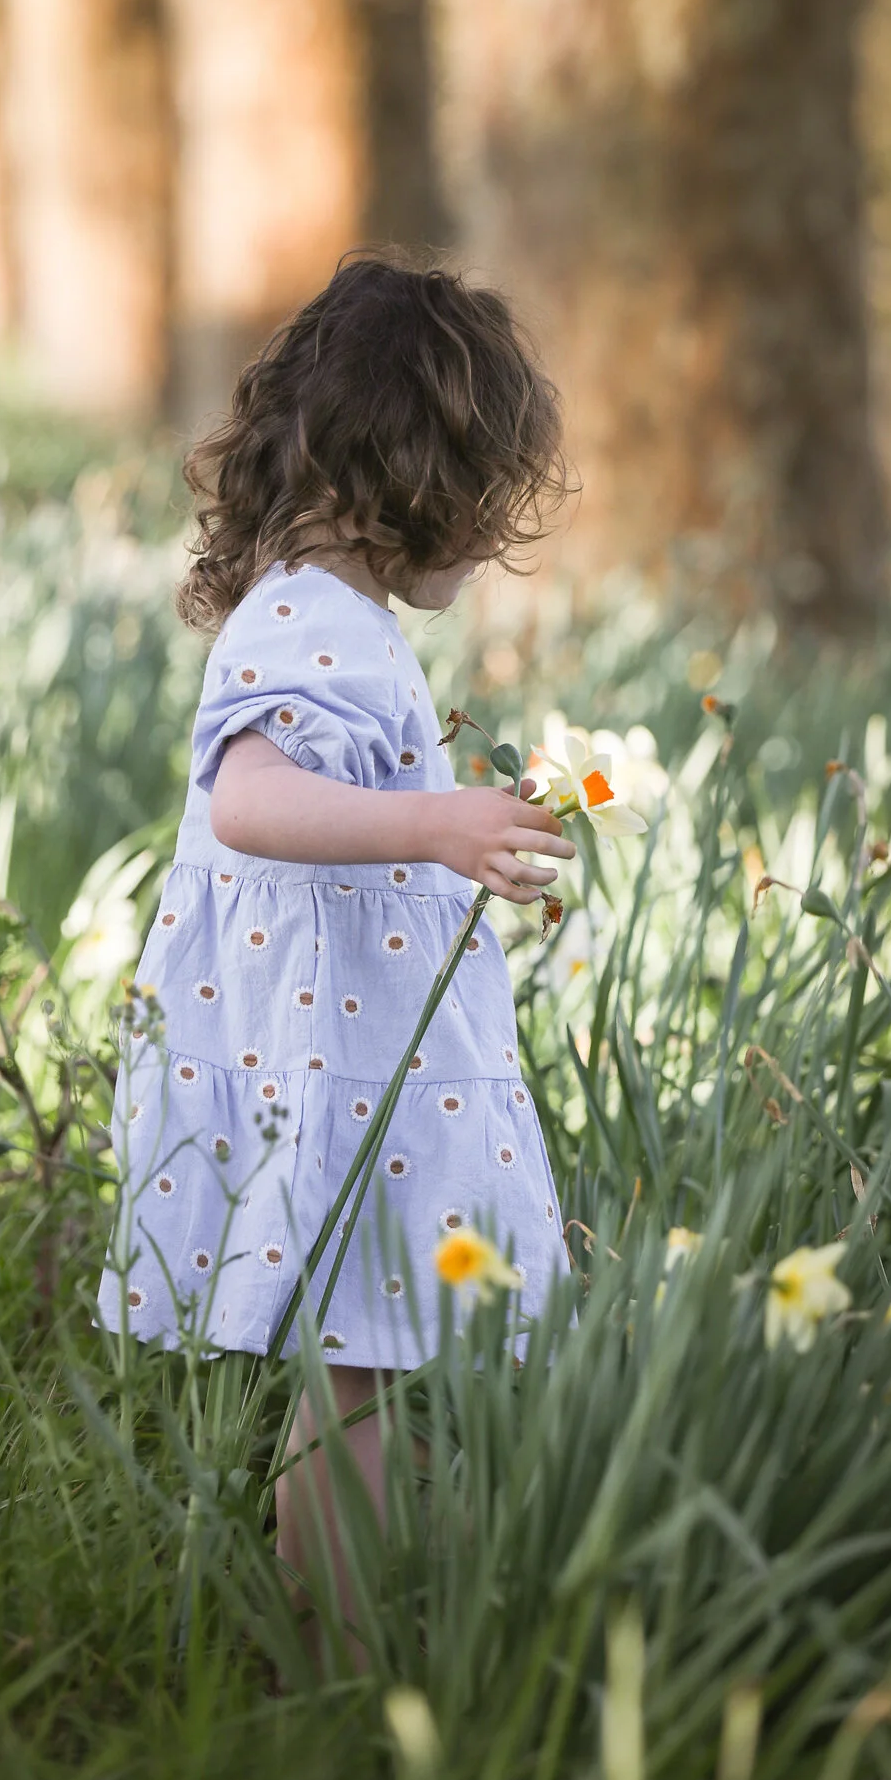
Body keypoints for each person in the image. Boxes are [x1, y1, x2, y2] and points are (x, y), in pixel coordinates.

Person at [96, 254, 574, 1655]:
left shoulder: (320, 612)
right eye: (486, 506)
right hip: (331, 1065)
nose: (488, 544)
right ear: (425, 477)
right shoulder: (309, 617)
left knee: (351, 1364)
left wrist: (445, 833)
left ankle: (339, 1636)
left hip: (346, 1050)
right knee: (352, 1371)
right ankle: (336, 1660)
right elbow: (247, 800)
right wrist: (430, 823)